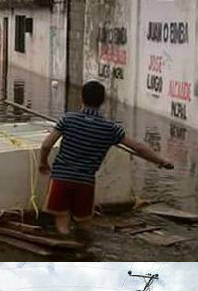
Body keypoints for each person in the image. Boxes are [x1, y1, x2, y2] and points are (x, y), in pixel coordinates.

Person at [38, 80, 174, 235]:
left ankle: (67, 250)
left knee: (62, 221)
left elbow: (46, 145)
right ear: (103, 101)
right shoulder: (110, 128)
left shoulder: (68, 119)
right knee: (84, 223)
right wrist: (161, 161)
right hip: (85, 182)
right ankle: (87, 250)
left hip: (61, 178)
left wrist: (43, 163)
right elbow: (138, 148)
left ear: (81, 98)